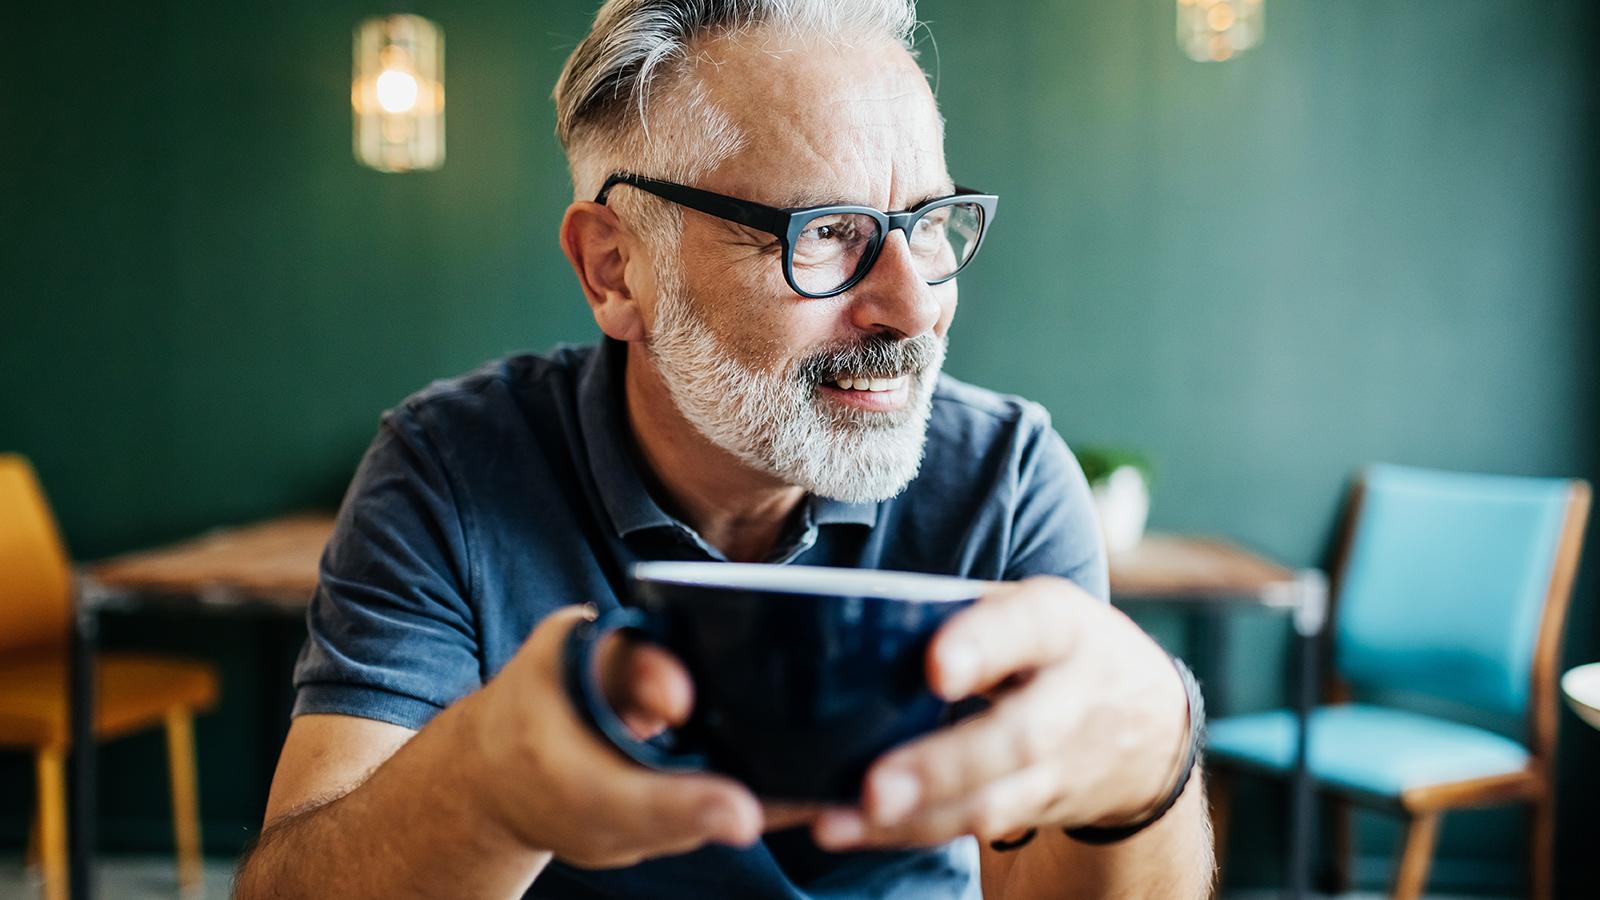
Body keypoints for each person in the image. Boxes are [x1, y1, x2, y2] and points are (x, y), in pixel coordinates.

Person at [234, 1, 1214, 897]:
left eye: (925, 222)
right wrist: (487, 782)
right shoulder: (451, 468)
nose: (915, 306)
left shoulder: (1002, 481)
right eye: (825, 233)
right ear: (616, 269)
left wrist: (1147, 767)